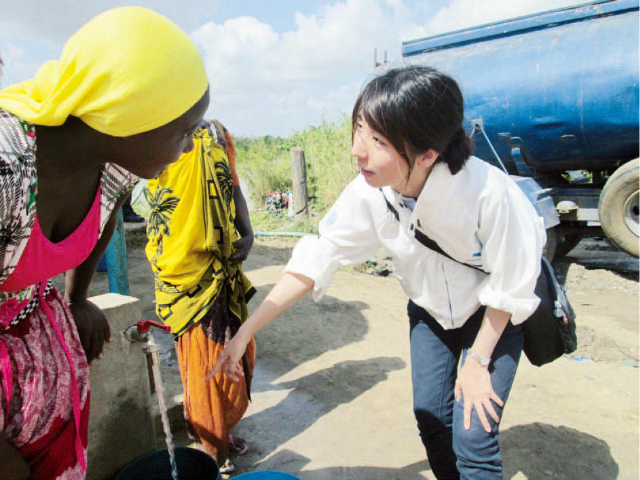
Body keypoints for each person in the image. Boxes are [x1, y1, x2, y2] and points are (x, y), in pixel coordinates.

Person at [211, 65, 546, 479]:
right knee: (431, 421)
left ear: (427, 154)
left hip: (492, 314)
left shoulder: (489, 193)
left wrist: (477, 363)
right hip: (431, 315)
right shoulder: (370, 193)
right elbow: (320, 255)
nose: (357, 150)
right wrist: (246, 331)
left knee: (474, 436)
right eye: (358, 130)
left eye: (378, 141)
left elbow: (512, 281)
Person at [0, 7, 209, 479]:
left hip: (36, 346)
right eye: (184, 131)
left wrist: (76, 299)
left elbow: (105, 217)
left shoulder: (114, 164)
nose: (189, 148)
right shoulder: (7, 170)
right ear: (129, 113)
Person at [144, 119, 255, 474]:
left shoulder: (219, 133)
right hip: (184, 272)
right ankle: (212, 451)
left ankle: (219, 428)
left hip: (223, 264)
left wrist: (248, 232)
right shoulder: (155, 132)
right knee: (203, 366)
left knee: (238, 356)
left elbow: (233, 186)